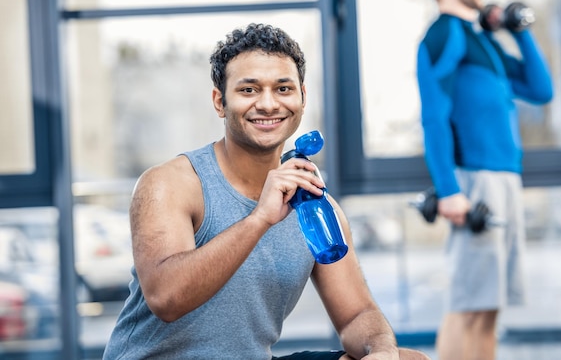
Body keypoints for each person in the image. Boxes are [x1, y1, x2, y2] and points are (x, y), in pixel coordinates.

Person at [103, 23, 430, 360]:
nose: (269, 104)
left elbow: (357, 314)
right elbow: (166, 299)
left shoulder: (315, 206)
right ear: (220, 101)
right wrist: (260, 218)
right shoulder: (169, 184)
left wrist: (381, 350)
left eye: (283, 88)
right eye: (249, 90)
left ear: (302, 97)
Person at [415, 0, 553, 360]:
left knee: (490, 308)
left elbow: (540, 89)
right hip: (474, 182)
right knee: (467, 306)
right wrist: (449, 190)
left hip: (505, 178)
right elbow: (434, 117)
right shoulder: (444, 35)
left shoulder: (482, 41)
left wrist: (517, 28)